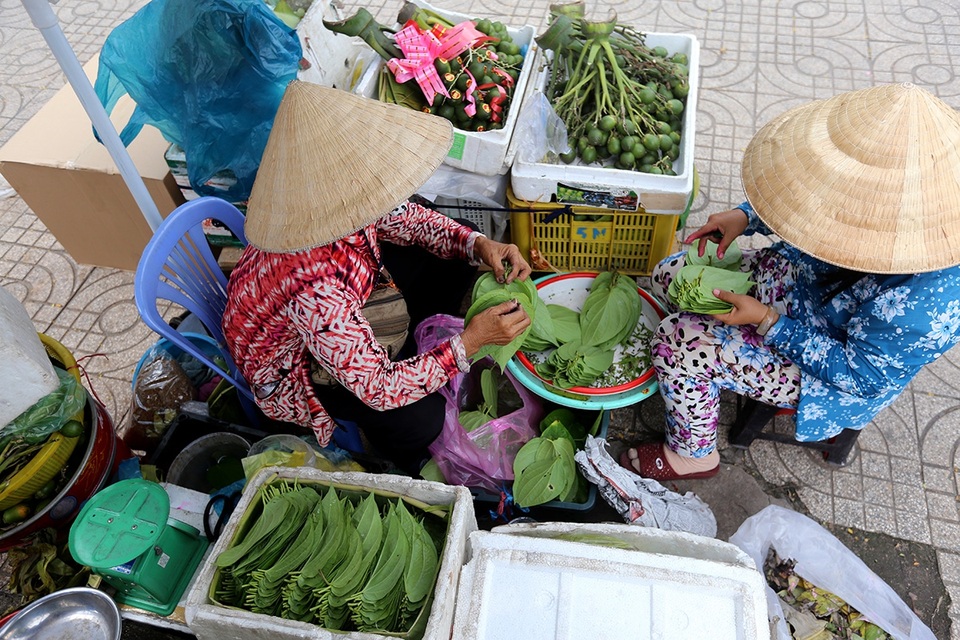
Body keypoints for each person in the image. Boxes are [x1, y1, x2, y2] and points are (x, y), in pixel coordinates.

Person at [619, 83, 960, 481]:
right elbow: (812, 203)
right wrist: (746, 218)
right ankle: (699, 378)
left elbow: (859, 375)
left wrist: (767, 321)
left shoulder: (925, 308)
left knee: (678, 342)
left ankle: (694, 454)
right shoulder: (867, 185)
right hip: (801, 285)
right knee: (668, 276)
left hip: (828, 365)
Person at [222, 80, 532, 474]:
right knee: (422, 419)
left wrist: (478, 244)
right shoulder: (315, 290)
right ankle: (391, 452)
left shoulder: (337, 192)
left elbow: (409, 220)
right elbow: (379, 388)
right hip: (298, 366)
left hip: (337, 303)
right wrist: (470, 342)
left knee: (454, 247)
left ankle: (415, 340)